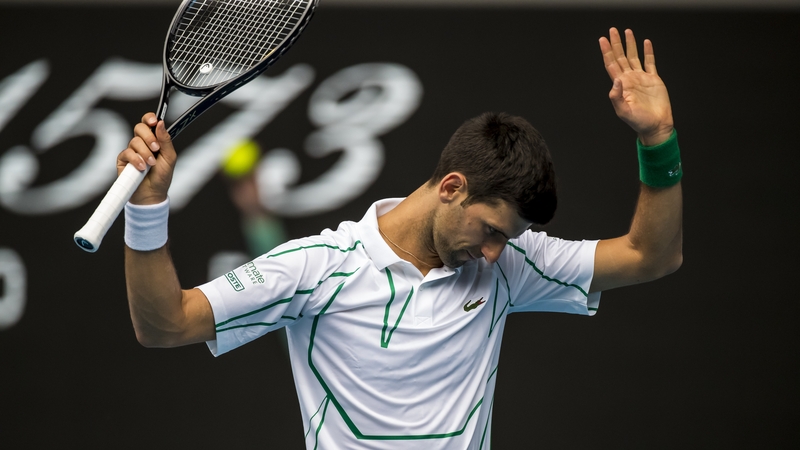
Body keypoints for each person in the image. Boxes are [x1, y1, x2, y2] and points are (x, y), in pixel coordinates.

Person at [119, 28, 682, 448]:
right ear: (452, 187)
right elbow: (165, 325)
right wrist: (147, 208)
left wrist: (657, 137)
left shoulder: (508, 266)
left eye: (505, 240)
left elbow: (649, 256)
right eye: (490, 230)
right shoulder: (317, 268)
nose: (493, 252)